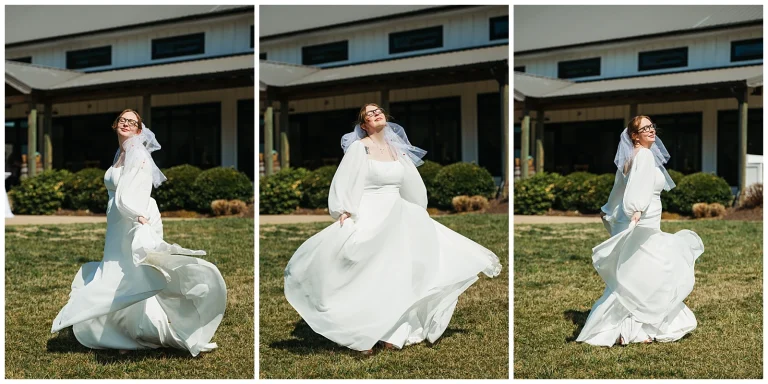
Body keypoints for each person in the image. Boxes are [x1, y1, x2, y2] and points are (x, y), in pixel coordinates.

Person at [284, 103, 502, 355]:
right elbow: (345, 180)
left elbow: (411, 184)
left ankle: (394, 330)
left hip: (397, 213)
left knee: (399, 272)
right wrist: (344, 210)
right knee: (368, 272)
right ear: (363, 125)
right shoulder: (359, 149)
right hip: (370, 212)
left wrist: (418, 212)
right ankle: (360, 330)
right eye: (369, 113)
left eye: (379, 111)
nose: (376, 114)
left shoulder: (397, 150)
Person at [51, 109, 226, 356]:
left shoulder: (138, 154)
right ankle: (119, 329)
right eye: (122, 120)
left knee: (132, 272)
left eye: (132, 122)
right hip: (117, 224)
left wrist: (137, 217)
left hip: (133, 220)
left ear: (139, 130)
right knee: (118, 270)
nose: (126, 124)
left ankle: (138, 329)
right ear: (115, 125)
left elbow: (137, 190)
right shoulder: (120, 153)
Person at [577, 115, 704, 347]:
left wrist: (608, 209)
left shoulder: (630, 157)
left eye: (652, 126)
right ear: (634, 136)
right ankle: (632, 327)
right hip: (642, 221)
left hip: (638, 219)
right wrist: (636, 211)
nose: (651, 130)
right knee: (646, 272)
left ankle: (630, 327)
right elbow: (636, 190)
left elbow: (619, 189)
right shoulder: (644, 155)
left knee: (633, 272)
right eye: (645, 128)